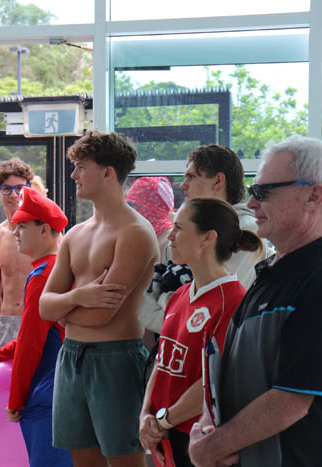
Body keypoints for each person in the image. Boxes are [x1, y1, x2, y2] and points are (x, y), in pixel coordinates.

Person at [188, 136, 322, 467]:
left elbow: (293, 398)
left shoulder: (315, 279)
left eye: (263, 192)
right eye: (251, 190)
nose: (250, 203)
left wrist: (211, 446)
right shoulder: (272, 272)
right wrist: (207, 426)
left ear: (313, 195)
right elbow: (230, 369)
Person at [40, 130, 158, 467]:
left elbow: (99, 316)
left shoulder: (135, 232)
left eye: (81, 167)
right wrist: (81, 295)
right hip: (71, 357)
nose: (73, 175)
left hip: (115, 359)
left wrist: (64, 308)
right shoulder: (75, 234)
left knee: (125, 462)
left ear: (107, 173)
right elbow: (43, 307)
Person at [139, 198, 262, 466]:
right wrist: (145, 415)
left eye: (179, 228)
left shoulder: (232, 301)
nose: (170, 236)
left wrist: (163, 420)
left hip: (197, 440)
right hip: (164, 433)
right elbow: (163, 360)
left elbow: (213, 381)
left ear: (208, 238)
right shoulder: (179, 295)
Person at [0, 187, 72, 467]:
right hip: (59, 389)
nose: (15, 233)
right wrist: (1, 353)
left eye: (22, 226)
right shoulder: (54, 268)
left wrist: (16, 400)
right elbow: (38, 334)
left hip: (48, 393)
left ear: (44, 230)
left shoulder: (43, 276)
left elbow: (31, 344)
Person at [140, 144, 267, 335]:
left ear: (218, 181)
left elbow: (212, 315)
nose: (183, 185)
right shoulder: (185, 230)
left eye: (192, 177)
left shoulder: (246, 230)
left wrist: (147, 307)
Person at [0, 158, 35, 351]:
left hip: (38, 319)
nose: (14, 195)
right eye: (7, 189)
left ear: (29, 189)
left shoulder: (44, 231)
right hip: (7, 323)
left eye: (20, 188)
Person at [126, 176, 174, 260]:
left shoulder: (172, 242)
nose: (131, 210)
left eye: (133, 204)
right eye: (129, 204)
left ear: (153, 208)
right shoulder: (144, 237)